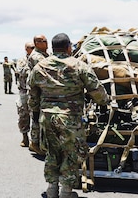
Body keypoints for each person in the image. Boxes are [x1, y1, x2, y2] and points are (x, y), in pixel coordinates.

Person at [28, 33, 109, 198]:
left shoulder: (40, 66)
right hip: (70, 119)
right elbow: (96, 90)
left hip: (48, 118)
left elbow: (32, 94)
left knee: (52, 153)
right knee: (70, 154)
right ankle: (66, 192)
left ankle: (51, 190)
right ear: (68, 47)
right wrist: (104, 103)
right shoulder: (79, 65)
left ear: (52, 47)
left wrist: (36, 115)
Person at [27, 34, 50, 155]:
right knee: (36, 118)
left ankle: (37, 142)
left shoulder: (44, 55)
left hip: (40, 92)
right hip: (37, 93)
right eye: (44, 41)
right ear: (36, 43)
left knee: (39, 118)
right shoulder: (37, 57)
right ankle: (34, 143)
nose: (47, 43)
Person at [15, 42, 35, 147]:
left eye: (34, 47)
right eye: (31, 48)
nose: (33, 49)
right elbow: (20, 71)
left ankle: (35, 140)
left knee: (36, 116)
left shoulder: (40, 59)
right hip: (24, 91)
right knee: (23, 114)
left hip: (36, 92)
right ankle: (25, 137)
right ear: (26, 49)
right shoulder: (22, 60)